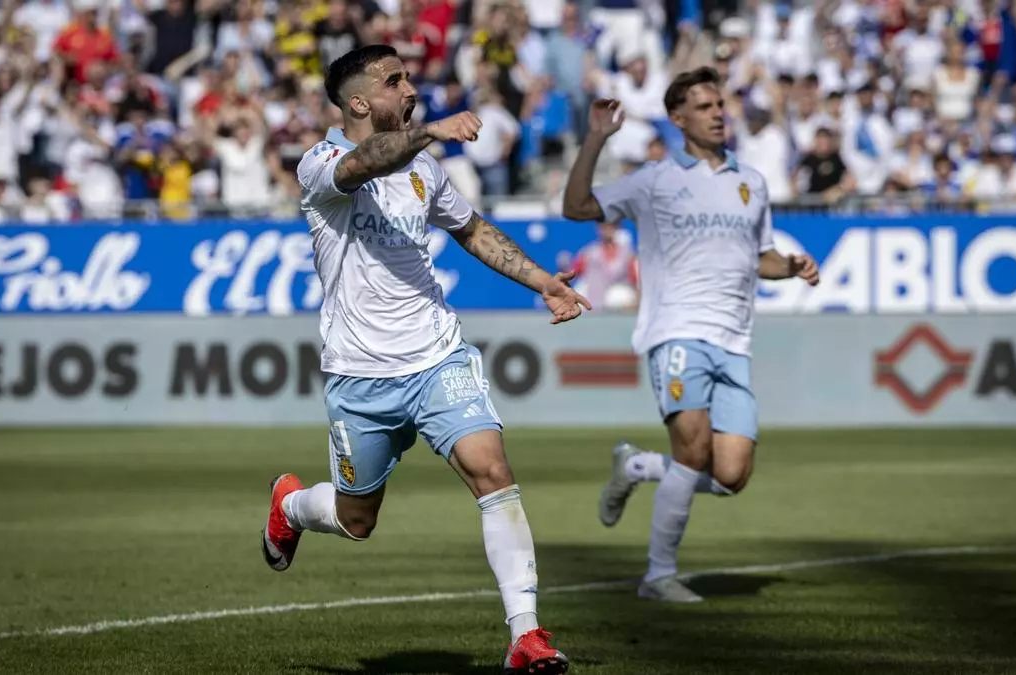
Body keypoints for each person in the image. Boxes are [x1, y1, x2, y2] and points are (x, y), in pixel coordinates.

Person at [260, 45, 585, 673]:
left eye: (409, 76)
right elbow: (365, 162)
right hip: (360, 374)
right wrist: (431, 130)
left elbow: (472, 230)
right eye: (394, 80)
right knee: (357, 519)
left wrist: (543, 280)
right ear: (358, 102)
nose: (410, 88)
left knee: (492, 469)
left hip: (438, 355)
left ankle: (526, 636)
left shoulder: (423, 169)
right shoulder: (320, 164)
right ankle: (291, 506)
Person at [561, 67, 819, 603]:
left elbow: (763, 257)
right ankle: (658, 577)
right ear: (678, 119)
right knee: (694, 450)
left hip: (734, 341)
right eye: (704, 107)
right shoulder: (653, 179)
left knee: (731, 474)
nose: (718, 114)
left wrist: (792, 266)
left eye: (719, 104)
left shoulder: (752, 183)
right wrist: (596, 139)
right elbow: (577, 207)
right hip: (676, 331)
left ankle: (637, 466)